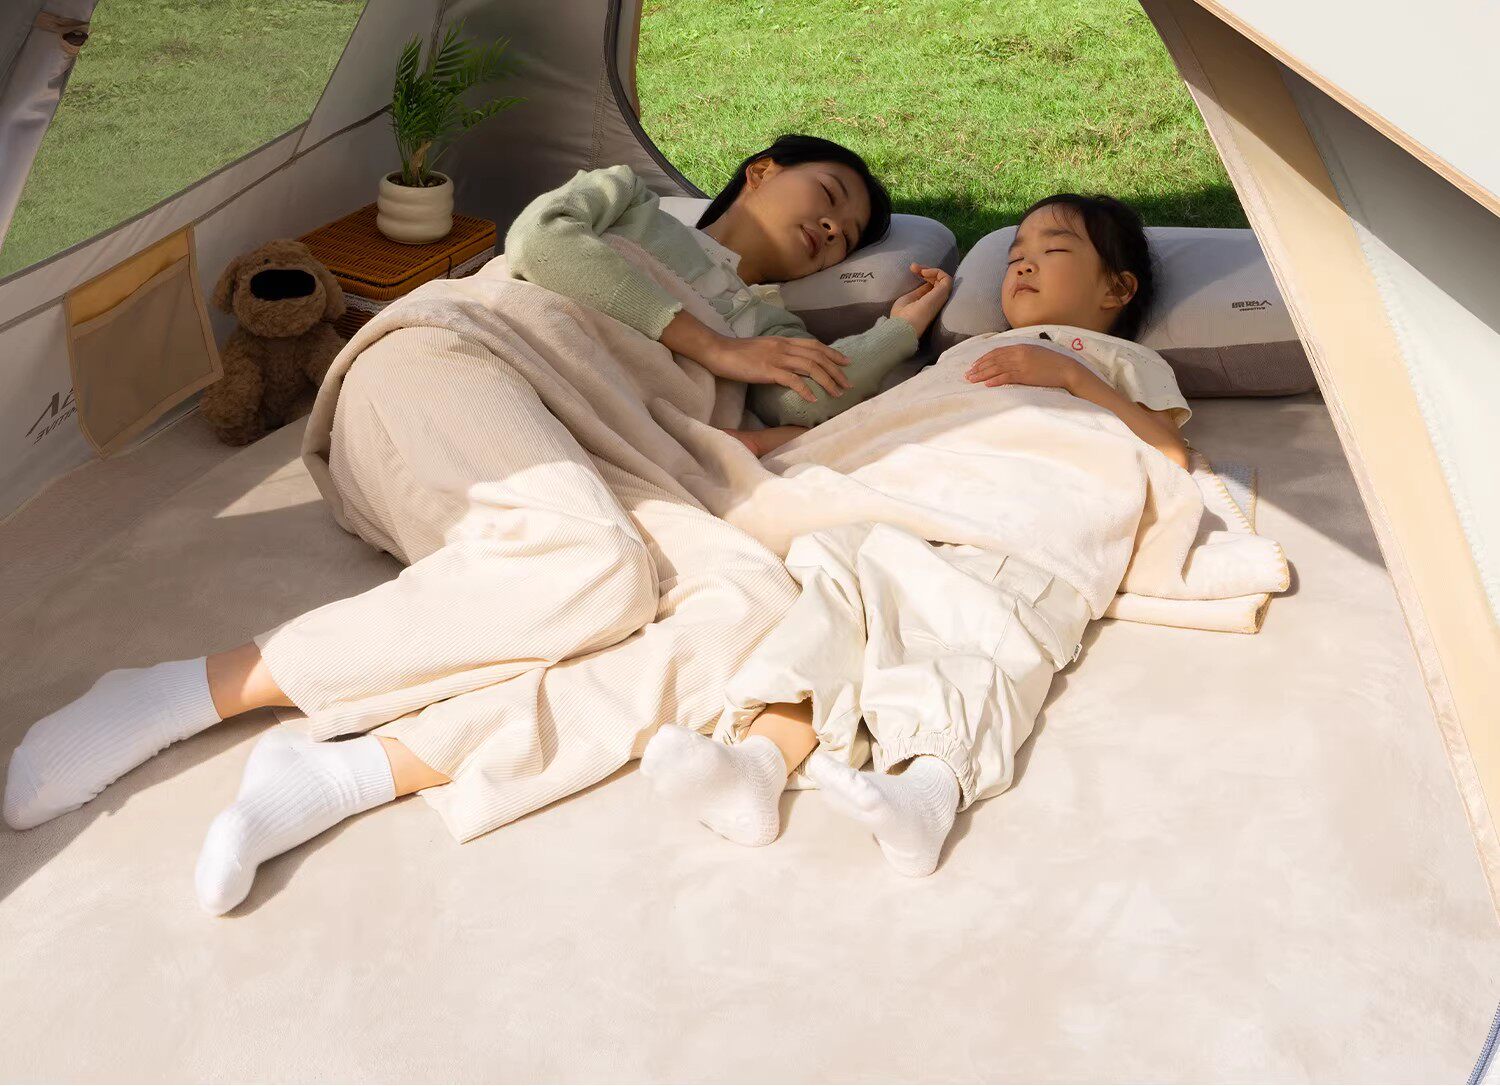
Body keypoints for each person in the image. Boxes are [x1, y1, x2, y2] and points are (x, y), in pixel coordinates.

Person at [1, 136, 914, 915]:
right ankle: (187, 692)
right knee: (592, 564)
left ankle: (354, 773)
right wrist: (718, 349)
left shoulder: (769, 323)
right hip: (466, 359)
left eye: (847, 236)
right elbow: (541, 241)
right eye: (830, 195)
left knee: (752, 601)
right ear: (761, 171)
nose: (833, 228)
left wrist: (906, 328)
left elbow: (815, 398)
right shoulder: (630, 201)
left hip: (603, 454)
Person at [640, 192, 1193, 876]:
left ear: (1117, 289)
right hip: (923, 494)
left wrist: (1072, 377)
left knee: (977, 623)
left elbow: (1170, 452)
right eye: (1015, 255)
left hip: (1025, 514)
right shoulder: (969, 353)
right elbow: (896, 420)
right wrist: (780, 444)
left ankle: (928, 790)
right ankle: (758, 763)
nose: (1022, 265)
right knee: (838, 587)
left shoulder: (1117, 360)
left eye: (1052, 251)